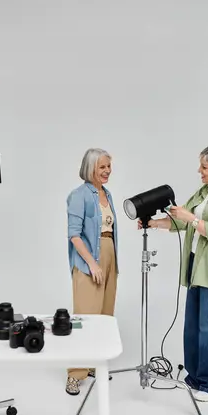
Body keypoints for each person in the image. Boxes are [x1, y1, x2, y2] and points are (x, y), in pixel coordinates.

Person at [139, 143, 208, 402]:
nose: (200, 171)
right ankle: (195, 378)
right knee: (193, 328)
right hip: (196, 265)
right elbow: (181, 219)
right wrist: (153, 222)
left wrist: (190, 218)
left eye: (205, 167)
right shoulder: (206, 190)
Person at [66, 148, 118, 395]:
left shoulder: (107, 194)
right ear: (90, 169)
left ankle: (93, 365)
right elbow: (75, 235)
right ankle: (75, 374)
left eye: (109, 166)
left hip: (110, 258)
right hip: (89, 261)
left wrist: (110, 265)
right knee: (85, 319)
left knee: (104, 316)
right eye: (102, 167)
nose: (107, 171)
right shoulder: (79, 195)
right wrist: (93, 264)